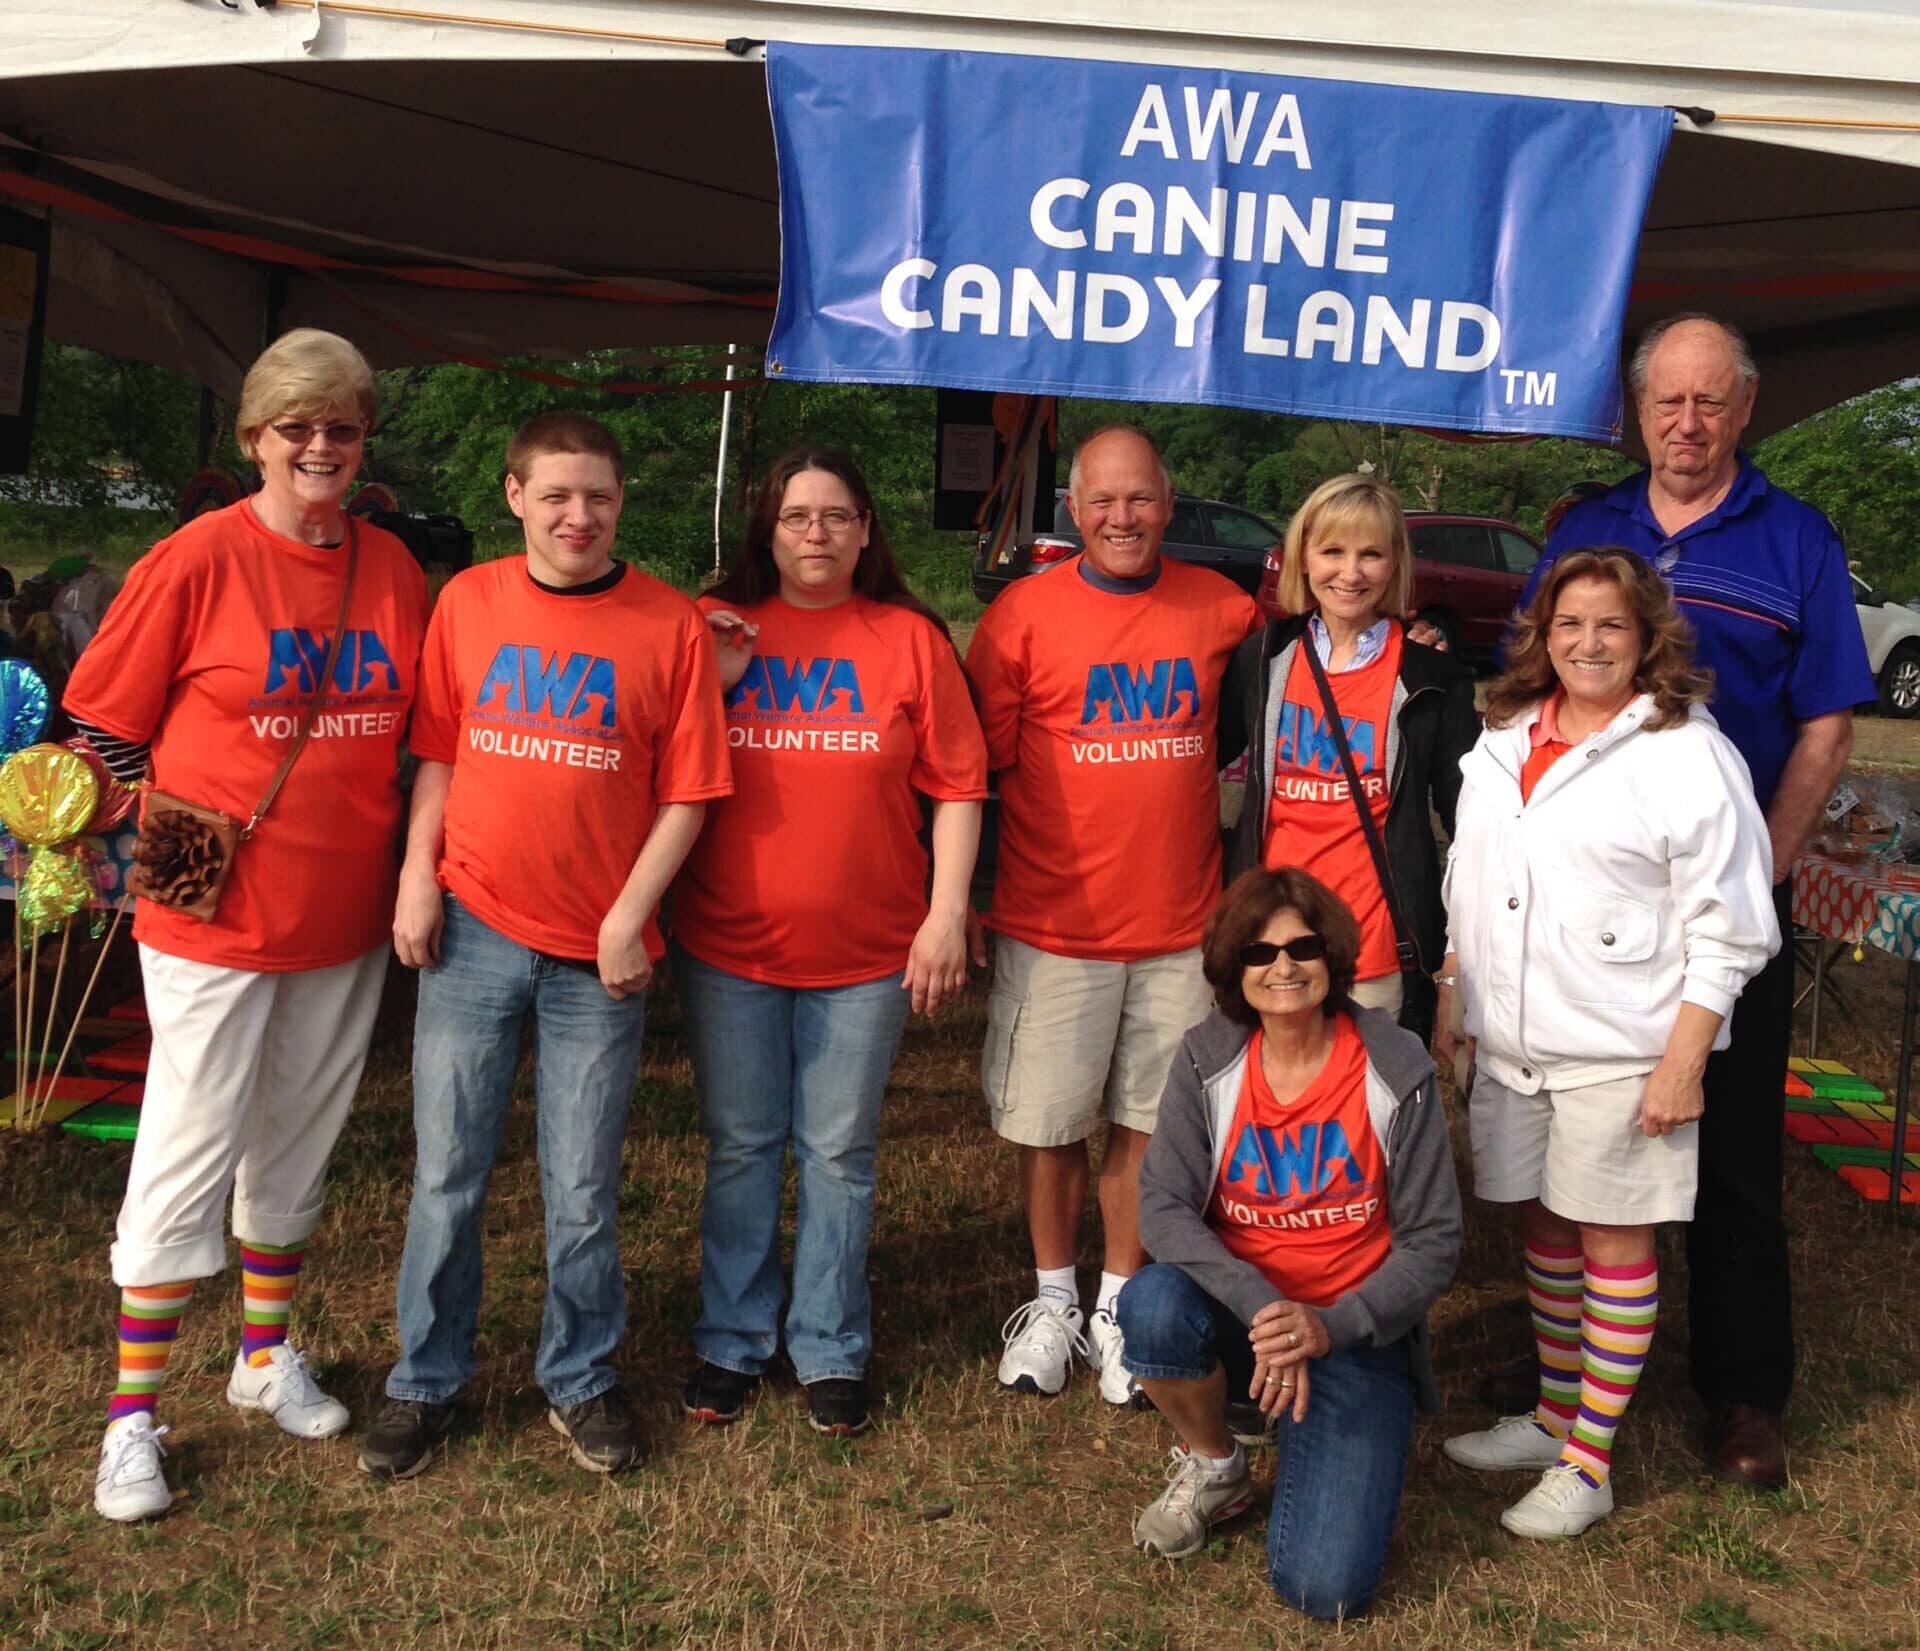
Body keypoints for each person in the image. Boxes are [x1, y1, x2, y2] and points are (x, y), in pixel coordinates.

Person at [65, 329, 431, 1522]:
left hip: (343, 907)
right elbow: (102, 733)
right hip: (206, 906)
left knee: (297, 1136)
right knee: (187, 1138)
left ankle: (264, 1355)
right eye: (298, 428)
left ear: (365, 440)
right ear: (255, 439)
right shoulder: (195, 558)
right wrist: (150, 844)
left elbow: (428, 724)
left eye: (342, 427)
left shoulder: (391, 567)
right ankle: (133, 1415)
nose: (321, 447)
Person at [1517, 314, 1872, 1487]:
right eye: (1669, 402)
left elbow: (1826, 722)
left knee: (1734, 1157)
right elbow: (1531, 681)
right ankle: (1562, 1382)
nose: (1688, 423)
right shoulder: (1587, 528)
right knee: (1581, 1136)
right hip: (1591, 910)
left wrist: (1762, 867)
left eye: (1710, 403)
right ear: (1637, 411)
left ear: (1746, 409)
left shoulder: (1798, 538)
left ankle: (1742, 1392)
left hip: (1731, 904)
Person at [359, 411, 731, 1481]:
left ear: (621, 504)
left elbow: (690, 793)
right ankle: (424, 1379)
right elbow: (436, 754)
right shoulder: (468, 601)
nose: (579, 515)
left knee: (580, 1186)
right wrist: (415, 882)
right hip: (472, 925)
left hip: (596, 955)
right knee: (448, 1175)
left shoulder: (665, 623)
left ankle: (579, 1376)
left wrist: (628, 916)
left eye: (599, 497)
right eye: (557, 495)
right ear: (516, 497)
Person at [1438, 548, 1778, 1537]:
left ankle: (1590, 1464)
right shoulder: (1503, 732)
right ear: (1542, 634)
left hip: (1624, 1046)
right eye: (1570, 623)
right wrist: (1457, 992)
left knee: (1612, 1239)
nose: (1589, 643)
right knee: (1545, 1226)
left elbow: (1731, 925)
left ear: (1648, 639)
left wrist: (1684, 1061)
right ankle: (1553, 1414)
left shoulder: (1686, 752)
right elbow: (1469, 868)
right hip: (1515, 1040)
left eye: (1612, 626)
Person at [672, 448, 987, 1438]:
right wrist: (715, 676)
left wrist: (945, 913)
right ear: (766, 526)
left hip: (869, 951)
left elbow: (959, 786)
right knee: (743, 1146)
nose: (816, 532)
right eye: (797, 515)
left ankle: (829, 1344)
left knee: (840, 1151)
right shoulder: (715, 627)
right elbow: (654, 752)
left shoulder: (908, 639)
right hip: (730, 945)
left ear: (865, 530)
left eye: (836, 516)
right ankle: (731, 1337)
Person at [966, 426, 1259, 1403]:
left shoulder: (1220, 609)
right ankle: (1053, 1302)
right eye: (1103, 501)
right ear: (1074, 510)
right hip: (1054, 926)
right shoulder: (1019, 618)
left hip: (1181, 926)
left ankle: (1119, 1306)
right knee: (1049, 1123)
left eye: (1140, 500)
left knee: (1146, 1125)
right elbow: (979, 774)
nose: (1123, 517)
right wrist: (967, 898)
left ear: (1168, 506)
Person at [1117, 867, 1460, 1619]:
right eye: (1259, 951)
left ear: (1331, 956)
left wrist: (1325, 1326)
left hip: (1354, 1332)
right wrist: (1268, 1308)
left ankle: (1314, 1418)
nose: (1282, 966)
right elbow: (1163, 1209)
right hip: (1248, 1316)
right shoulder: (1209, 1057)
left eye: (1302, 946)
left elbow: (1436, 1241)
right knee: (1150, 1304)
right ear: (1233, 968)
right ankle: (1216, 1462)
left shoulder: (1395, 1064)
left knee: (1322, 1589)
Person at [1221, 474, 1478, 1039]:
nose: (1351, 572)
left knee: (1365, 1116)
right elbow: (1201, 761)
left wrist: (1457, 949)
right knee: (1277, 1107)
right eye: (1333, 551)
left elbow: (1471, 824)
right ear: (1303, 557)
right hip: (1272, 938)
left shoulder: (1430, 676)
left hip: (1375, 942)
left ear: (1395, 564)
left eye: (1371, 555)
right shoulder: (1264, 657)